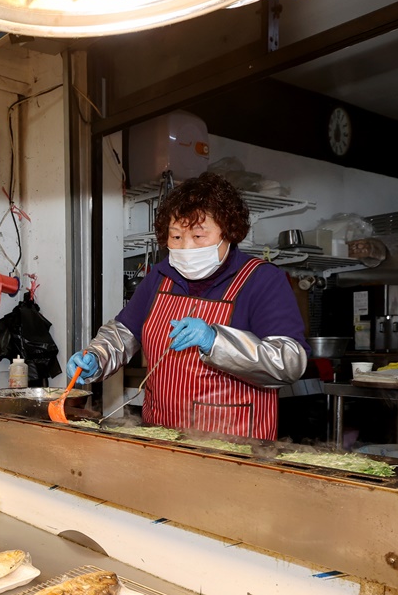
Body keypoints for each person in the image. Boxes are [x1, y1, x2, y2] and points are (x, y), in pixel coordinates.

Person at [67, 172, 308, 439]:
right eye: (176, 237)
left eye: (198, 236)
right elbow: (123, 334)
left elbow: (290, 362)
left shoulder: (261, 280)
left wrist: (215, 341)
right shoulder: (160, 277)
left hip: (235, 446)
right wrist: (97, 356)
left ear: (228, 232)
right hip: (159, 437)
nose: (187, 248)